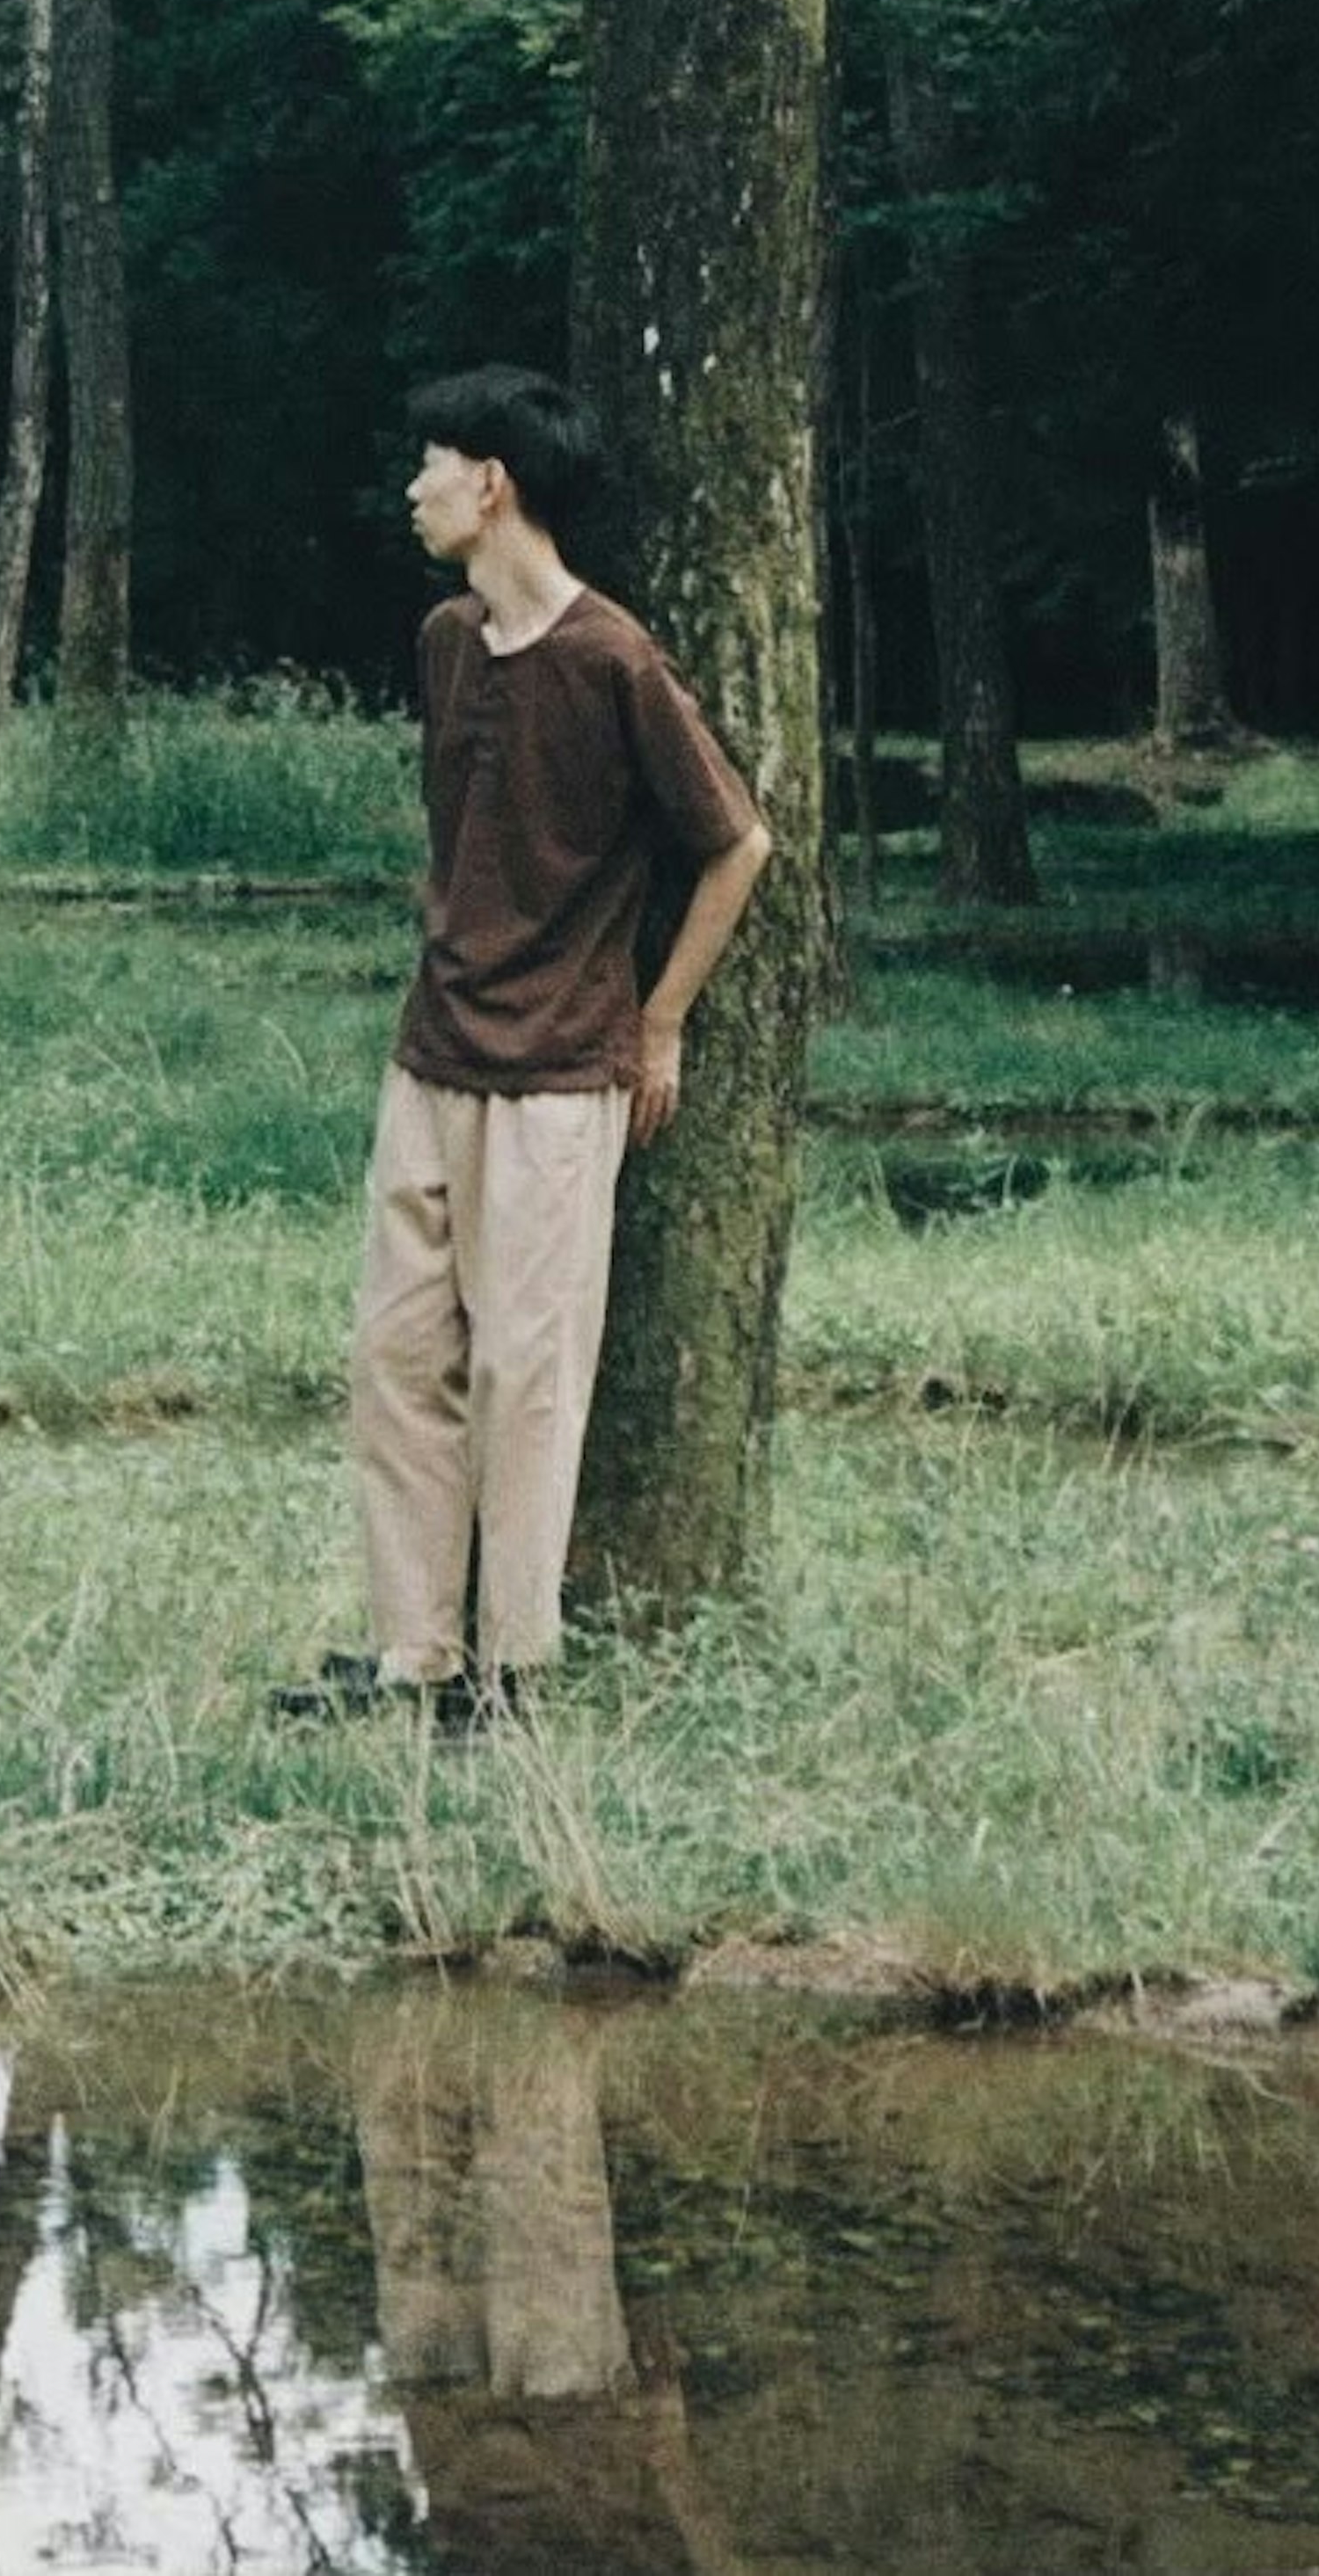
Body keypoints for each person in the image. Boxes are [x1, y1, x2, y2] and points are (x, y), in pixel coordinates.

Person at [279, 367, 770, 1730]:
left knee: (525, 1374)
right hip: (432, 1055)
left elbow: (737, 845)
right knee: (396, 1356)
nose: (413, 489)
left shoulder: (614, 656)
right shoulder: (446, 640)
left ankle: (513, 1670)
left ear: (492, 480)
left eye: (433, 464)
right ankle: (411, 1657)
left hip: (561, 1073)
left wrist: (660, 1020)